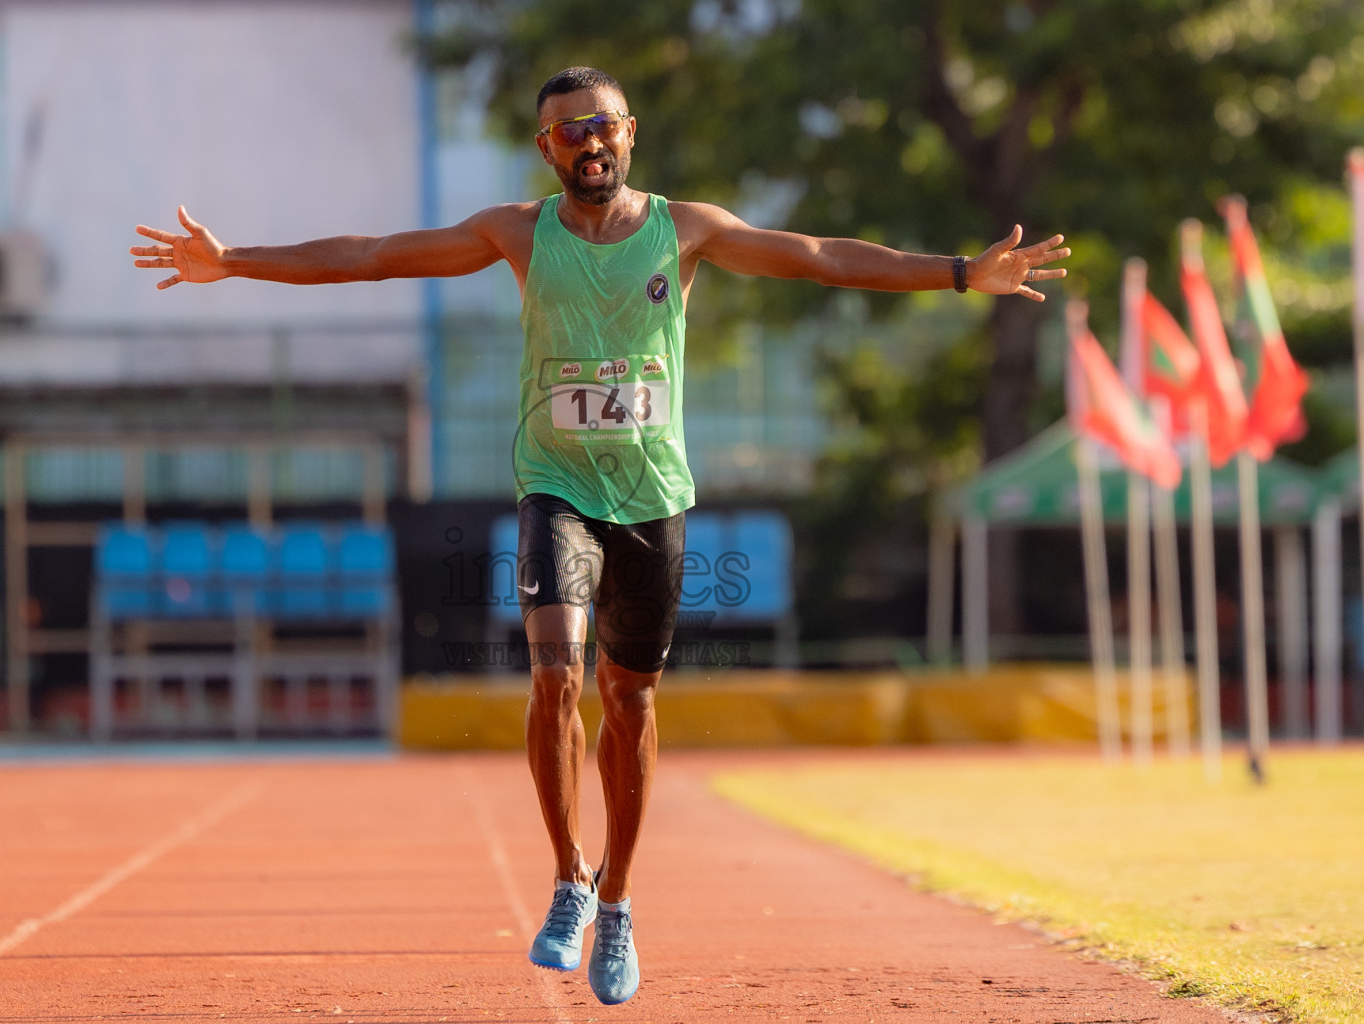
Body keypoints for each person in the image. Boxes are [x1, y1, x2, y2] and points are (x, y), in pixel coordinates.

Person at [130, 65, 1068, 1006]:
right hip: (556, 484)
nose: (588, 141)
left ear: (630, 133)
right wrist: (236, 258)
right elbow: (376, 252)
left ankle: (617, 897)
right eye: (568, 130)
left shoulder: (686, 228)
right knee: (556, 675)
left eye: (602, 125)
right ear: (547, 150)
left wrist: (958, 273)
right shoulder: (518, 233)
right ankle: (570, 878)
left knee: (631, 701)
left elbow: (820, 254)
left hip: (654, 497)